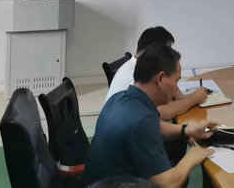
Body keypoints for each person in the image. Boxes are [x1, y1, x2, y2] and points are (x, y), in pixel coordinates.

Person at [84, 44, 214, 187]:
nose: (177, 88)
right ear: (160, 79)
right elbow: (166, 184)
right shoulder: (141, 120)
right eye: (176, 81)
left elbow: (153, 127)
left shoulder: (120, 98)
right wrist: (191, 157)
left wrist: (186, 130)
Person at [105, 26, 208, 121]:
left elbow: (174, 98)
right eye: (166, 51)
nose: (169, 56)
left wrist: (179, 95)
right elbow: (160, 114)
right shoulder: (136, 75)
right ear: (154, 52)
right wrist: (193, 99)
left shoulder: (141, 66)